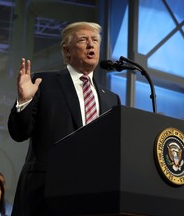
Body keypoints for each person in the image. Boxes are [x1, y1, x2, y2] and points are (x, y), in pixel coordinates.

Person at [8, 21, 121, 215]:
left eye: (94, 40)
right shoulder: (43, 83)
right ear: (67, 51)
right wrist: (24, 101)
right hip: (46, 194)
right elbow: (19, 133)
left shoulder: (112, 98)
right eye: (83, 40)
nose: (90, 45)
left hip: (93, 196)